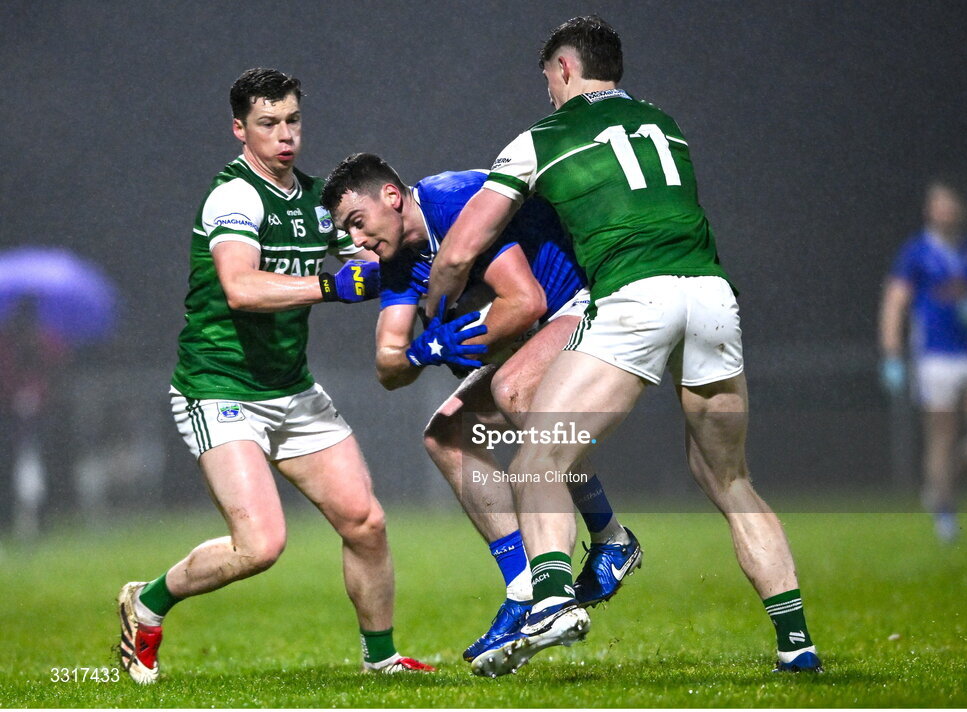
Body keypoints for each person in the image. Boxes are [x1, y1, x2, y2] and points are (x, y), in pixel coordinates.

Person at [425, 16, 821, 677]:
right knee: (729, 477)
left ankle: (552, 600)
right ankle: (795, 640)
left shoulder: (541, 139)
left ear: (564, 70)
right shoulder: (666, 124)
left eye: (548, 80)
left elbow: (463, 246)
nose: (548, 92)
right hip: (712, 295)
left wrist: (438, 302)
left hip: (636, 297)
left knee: (536, 458)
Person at [117, 68, 434, 684]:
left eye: (292, 120)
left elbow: (362, 254)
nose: (284, 135)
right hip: (219, 387)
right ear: (240, 129)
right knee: (259, 545)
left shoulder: (318, 202)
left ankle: (382, 659)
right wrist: (329, 284)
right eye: (268, 123)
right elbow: (239, 287)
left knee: (364, 522)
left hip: (291, 389)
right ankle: (148, 601)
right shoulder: (233, 196)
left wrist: (390, 264)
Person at [319, 153, 643, 664]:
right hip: (536, 327)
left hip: (580, 300)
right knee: (444, 434)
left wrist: (449, 341)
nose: (355, 241)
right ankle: (522, 589)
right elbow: (387, 367)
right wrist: (424, 352)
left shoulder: (451, 201)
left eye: (357, 223)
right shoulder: (398, 257)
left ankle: (609, 538)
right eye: (346, 231)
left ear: (391, 196)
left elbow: (527, 301)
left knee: (515, 390)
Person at [878, 180, 967, 541]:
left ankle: (942, 487)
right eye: (940, 205)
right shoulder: (916, 252)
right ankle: (945, 516)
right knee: (942, 437)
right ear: (929, 212)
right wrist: (891, 354)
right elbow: (894, 303)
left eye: (951, 204)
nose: (946, 211)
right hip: (933, 358)